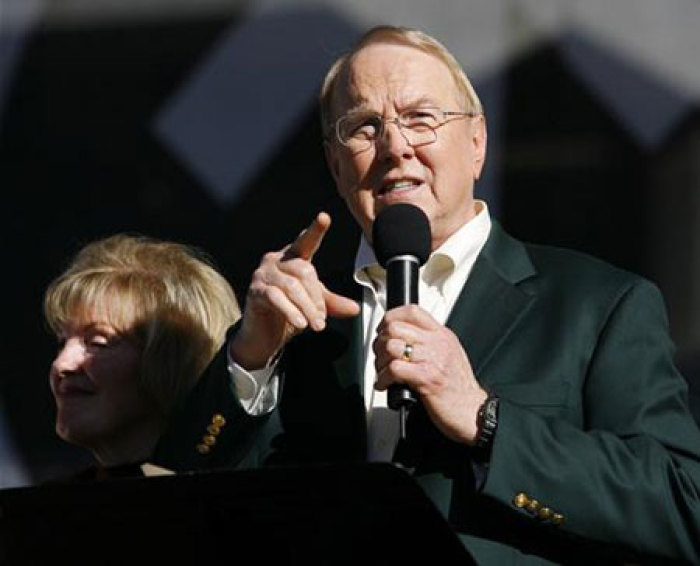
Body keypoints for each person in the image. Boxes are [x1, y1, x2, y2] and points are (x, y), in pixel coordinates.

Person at [154, 26, 700, 564]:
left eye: (421, 118)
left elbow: (682, 506)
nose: (395, 146)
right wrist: (250, 360)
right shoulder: (298, 319)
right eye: (364, 127)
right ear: (336, 165)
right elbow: (174, 514)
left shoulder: (597, 304)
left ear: (477, 142)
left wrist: (486, 418)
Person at [44, 234, 239, 478]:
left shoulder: (229, 500)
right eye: (63, 341)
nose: (61, 364)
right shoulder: (41, 511)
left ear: (172, 360)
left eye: (98, 343)